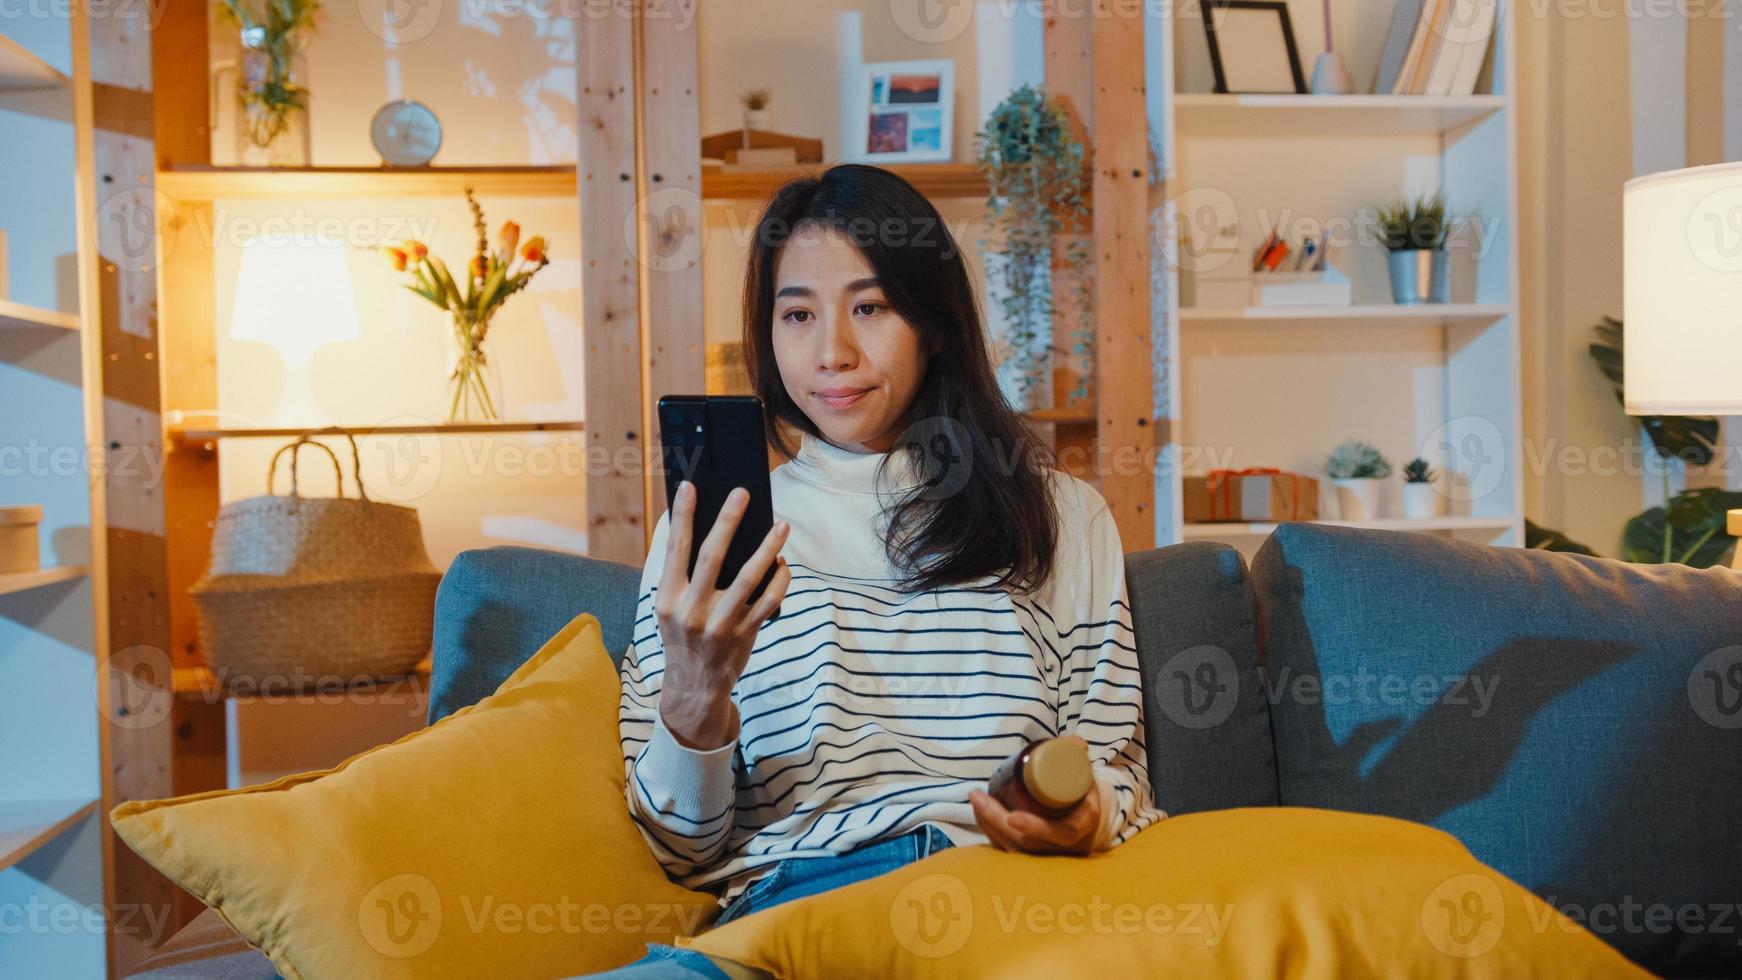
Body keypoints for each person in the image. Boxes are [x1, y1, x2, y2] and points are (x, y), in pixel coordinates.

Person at [591, 164, 1163, 978]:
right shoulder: (707, 537)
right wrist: (693, 694)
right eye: (798, 314)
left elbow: (1114, 770)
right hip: (792, 920)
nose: (832, 352)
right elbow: (681, 849)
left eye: (871, 307)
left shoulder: (1059, 515)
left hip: (1000, 909)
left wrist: (1078, 815)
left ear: (931, 323)